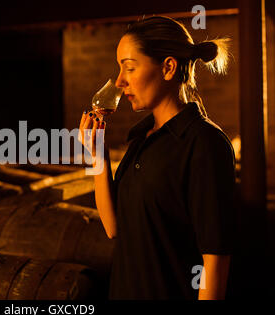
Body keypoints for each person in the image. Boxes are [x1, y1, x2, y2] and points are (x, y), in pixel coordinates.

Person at [78, 16, 236, 300]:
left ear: (167, 67)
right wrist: (97, 153)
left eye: (129, 67)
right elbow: (115, 228)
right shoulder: (141, 137)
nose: (119, 81)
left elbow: (214, 260)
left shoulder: (204, 143)